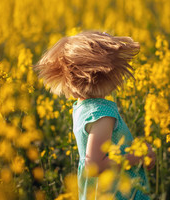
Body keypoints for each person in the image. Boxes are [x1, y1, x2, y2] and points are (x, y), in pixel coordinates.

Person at [34, 31, 156, 199]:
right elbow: (96, 165)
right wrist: (137, 157)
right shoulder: (102, 115)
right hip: (116, 193)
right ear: (103, 75)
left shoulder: (82, 107)